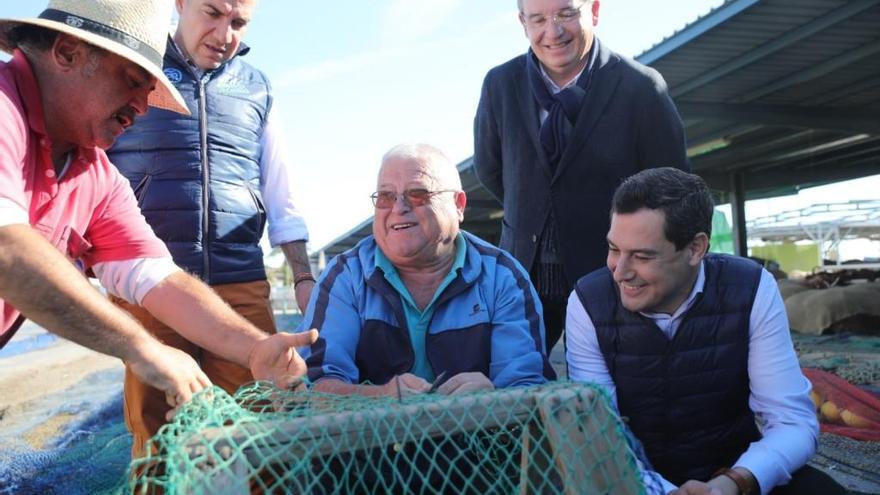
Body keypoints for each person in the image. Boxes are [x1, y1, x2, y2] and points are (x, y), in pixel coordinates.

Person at [0, 0, 315, 445]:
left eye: (150, 89)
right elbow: (6, 250)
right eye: (132, 81)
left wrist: (252, 347)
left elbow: (155, 276)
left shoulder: (96, 175)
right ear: (68, 53)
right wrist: (141, 345)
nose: (143, 108)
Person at [102, 0, 314, 456]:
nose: (224, 34)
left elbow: (281, 193)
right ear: (179, 4)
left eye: (238, 22)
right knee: (155, 428)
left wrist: (302, 274)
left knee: (261, 419)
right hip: (147, 285)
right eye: (212, 13)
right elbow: (92, 163)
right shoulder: (133, 66)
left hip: (241, 279)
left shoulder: (258, 87)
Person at [566, 167, 844, 494]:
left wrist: (736, 481)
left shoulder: (751, 288)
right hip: (634, 479)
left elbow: (792, 421)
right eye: (614, 249)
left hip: (732, 468)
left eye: (641, 256)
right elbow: (600, 434)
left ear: (696, 248)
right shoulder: (587, 302)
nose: (620, 272)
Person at [473, 0, 690, 355]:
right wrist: (536, 206)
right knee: (515, 387)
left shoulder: (641, 88)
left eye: (566, 14)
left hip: (613, 273)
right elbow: (490, 168)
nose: (553, 32)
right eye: (539, 19)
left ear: (594, 10)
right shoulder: (500, 85)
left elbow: (673, 186)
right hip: (524, 270)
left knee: (615, 389)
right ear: (522, 23)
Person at [303, 144, 554, 398]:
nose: (398, 207)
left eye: (417, 194)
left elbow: (528, 387)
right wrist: (380, 396)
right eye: (385, 196)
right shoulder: (345, 277)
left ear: (458, 205)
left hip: (481, 434)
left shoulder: (503, 277)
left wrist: (494, 396)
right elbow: (316, 385)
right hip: (371, 438)